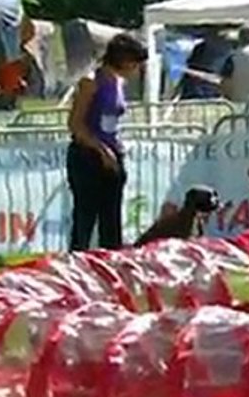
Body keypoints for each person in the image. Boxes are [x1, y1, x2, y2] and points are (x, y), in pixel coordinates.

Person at [66, 33, 148, 251]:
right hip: (87, 155)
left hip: (112, 152)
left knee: (111, 215)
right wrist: (101, 149)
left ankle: (112, 261)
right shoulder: (90, 82)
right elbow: (75, 124)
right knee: (85, 216)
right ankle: (78, 259)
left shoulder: (119, 83)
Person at [135, 186, 221, 246]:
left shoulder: (195, 224)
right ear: (199, 212)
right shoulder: (178, 226)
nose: (210, 216)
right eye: (209, 212)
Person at [219, 25, 249, 105]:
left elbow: (225, 83)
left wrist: (227, 98)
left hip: (239, 103)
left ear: (239, 39)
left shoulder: (232, 58)